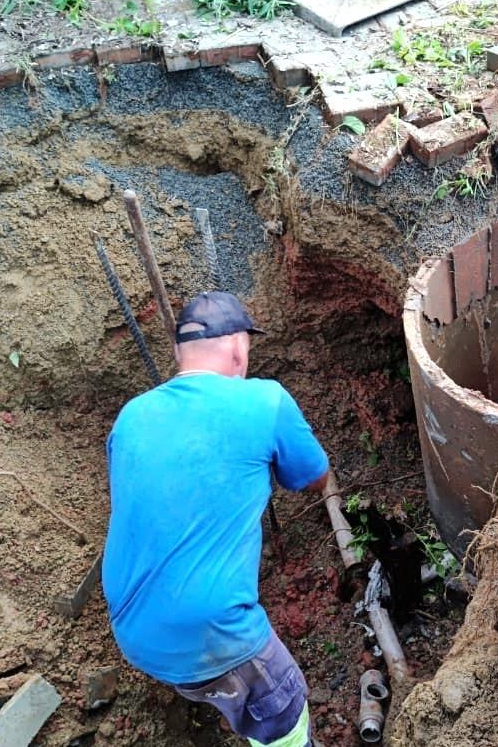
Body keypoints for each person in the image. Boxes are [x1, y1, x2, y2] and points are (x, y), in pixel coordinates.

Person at [103, 290, 329, 747]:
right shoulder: (265, 401)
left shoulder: (130, 416)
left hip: (131, 629)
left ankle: (211, 698)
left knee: (208, 677)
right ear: (239, 349)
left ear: (178, 354)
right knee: (282, 710)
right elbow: (314, 478)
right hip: (211, 631)